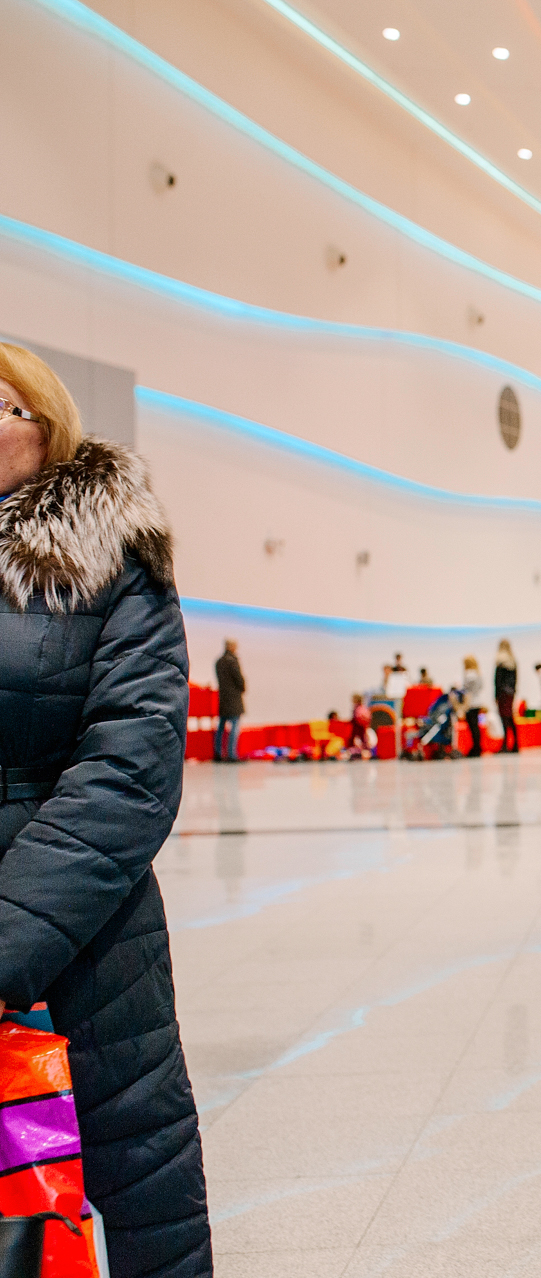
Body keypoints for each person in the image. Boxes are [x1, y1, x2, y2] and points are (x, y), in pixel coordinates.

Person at [0, 344, 211, 1276]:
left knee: (132, 1183)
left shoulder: (109, 556)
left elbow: (131, 766)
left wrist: (7, 942)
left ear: (46, 428)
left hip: (86, 939)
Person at [214, 637, 244, 762]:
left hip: (223, 698)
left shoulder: (219, 662)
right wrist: (242, 687)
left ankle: (218, 752)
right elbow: (239, 679)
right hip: (234, 699)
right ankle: (232, 754)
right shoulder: (233, 661)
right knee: (234, 727)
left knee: (221, 727)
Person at [493, 640, 520, 753]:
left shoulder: (500, 661)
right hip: (510, 693)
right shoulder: (512, 661)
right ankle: (515, 743)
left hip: (502, 694)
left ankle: (505, 744)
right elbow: (515, 680)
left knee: (504, 718)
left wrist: (496, 695)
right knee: (509, 717)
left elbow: (497, 681)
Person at [460, 655, 485, 757]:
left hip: (470, 703)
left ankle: (476, 747)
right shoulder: (478, 673)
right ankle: (477, 746)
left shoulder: (469, 674)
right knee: (476, 726)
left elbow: (466, 690)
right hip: (478, 701)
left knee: (473, 727)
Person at [344, 692, 375, 759]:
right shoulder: (364, 708)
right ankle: (361, 751)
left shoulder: (359, 708)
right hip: (361, 726)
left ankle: (362, 752)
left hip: (358, 727)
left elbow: (358, 718)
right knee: (362, 740)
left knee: (359, 740)